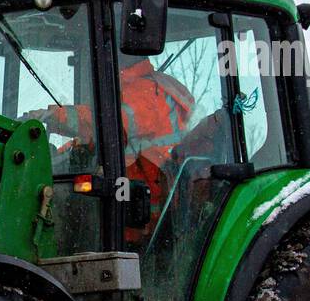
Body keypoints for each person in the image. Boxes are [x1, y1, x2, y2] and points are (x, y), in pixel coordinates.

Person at [26, 56, 199, 244]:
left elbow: (109, 123)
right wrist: (55, 157)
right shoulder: (127, 88)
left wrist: (52, 115)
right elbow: (97, 142)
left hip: (144, 214)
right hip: (128, 206)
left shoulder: (148, 92)